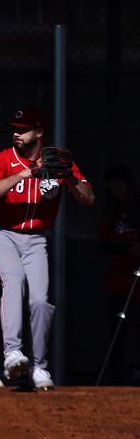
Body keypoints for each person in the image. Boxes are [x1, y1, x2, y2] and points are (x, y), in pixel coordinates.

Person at [0, 106, 94, 389]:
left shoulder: (58, 160)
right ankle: (12, 353)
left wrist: (69, 179)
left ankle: (39, 367)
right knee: (14, 279)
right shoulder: (4, 159)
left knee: (41, 301)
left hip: (36, 238)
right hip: (0, 233)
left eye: (23, 129)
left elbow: (88, 198)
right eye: (15, 130)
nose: (17, 134)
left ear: (39, 132)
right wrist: (23, 175)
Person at [97, 164, 140, 384]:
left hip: (137, 282)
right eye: (113, 190)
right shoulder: (110, 212)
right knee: (118, 332)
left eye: (120, 188)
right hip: (118, 282)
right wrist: (124, 248)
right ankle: (118, 378)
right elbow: (102, 244)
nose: (117, 193)